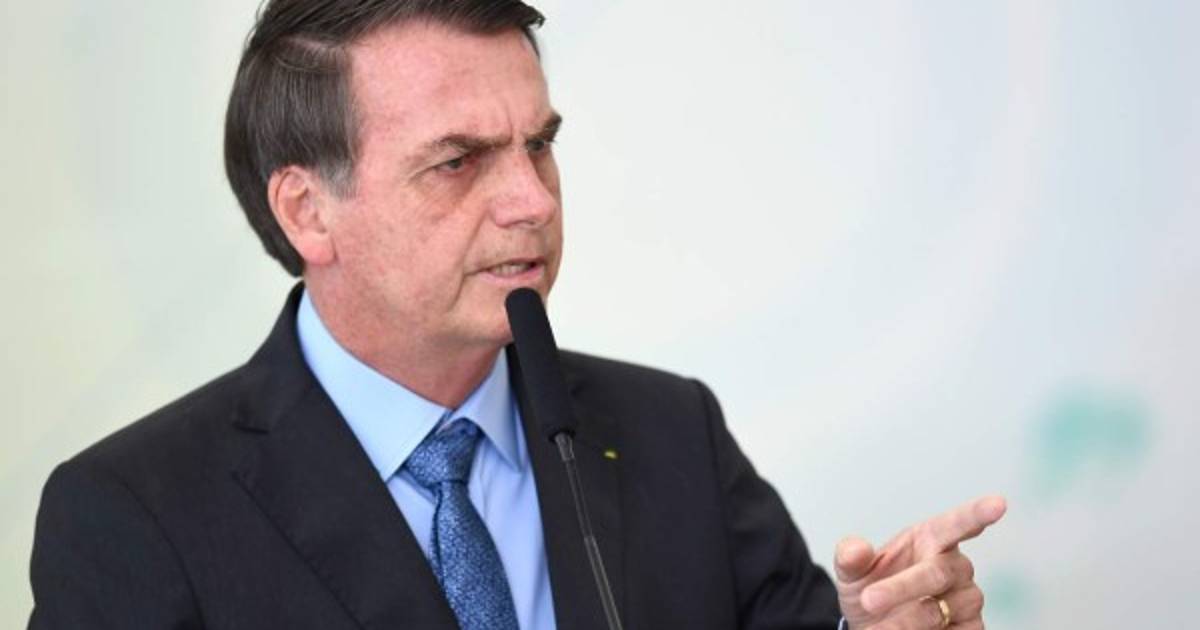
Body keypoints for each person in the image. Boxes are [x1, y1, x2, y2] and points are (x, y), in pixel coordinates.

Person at [28, 1, 1005, 628]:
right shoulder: (132, 514)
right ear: (308, 211)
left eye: (539, 146)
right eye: (458, 162)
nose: (532, 201)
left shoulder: (673, 433)